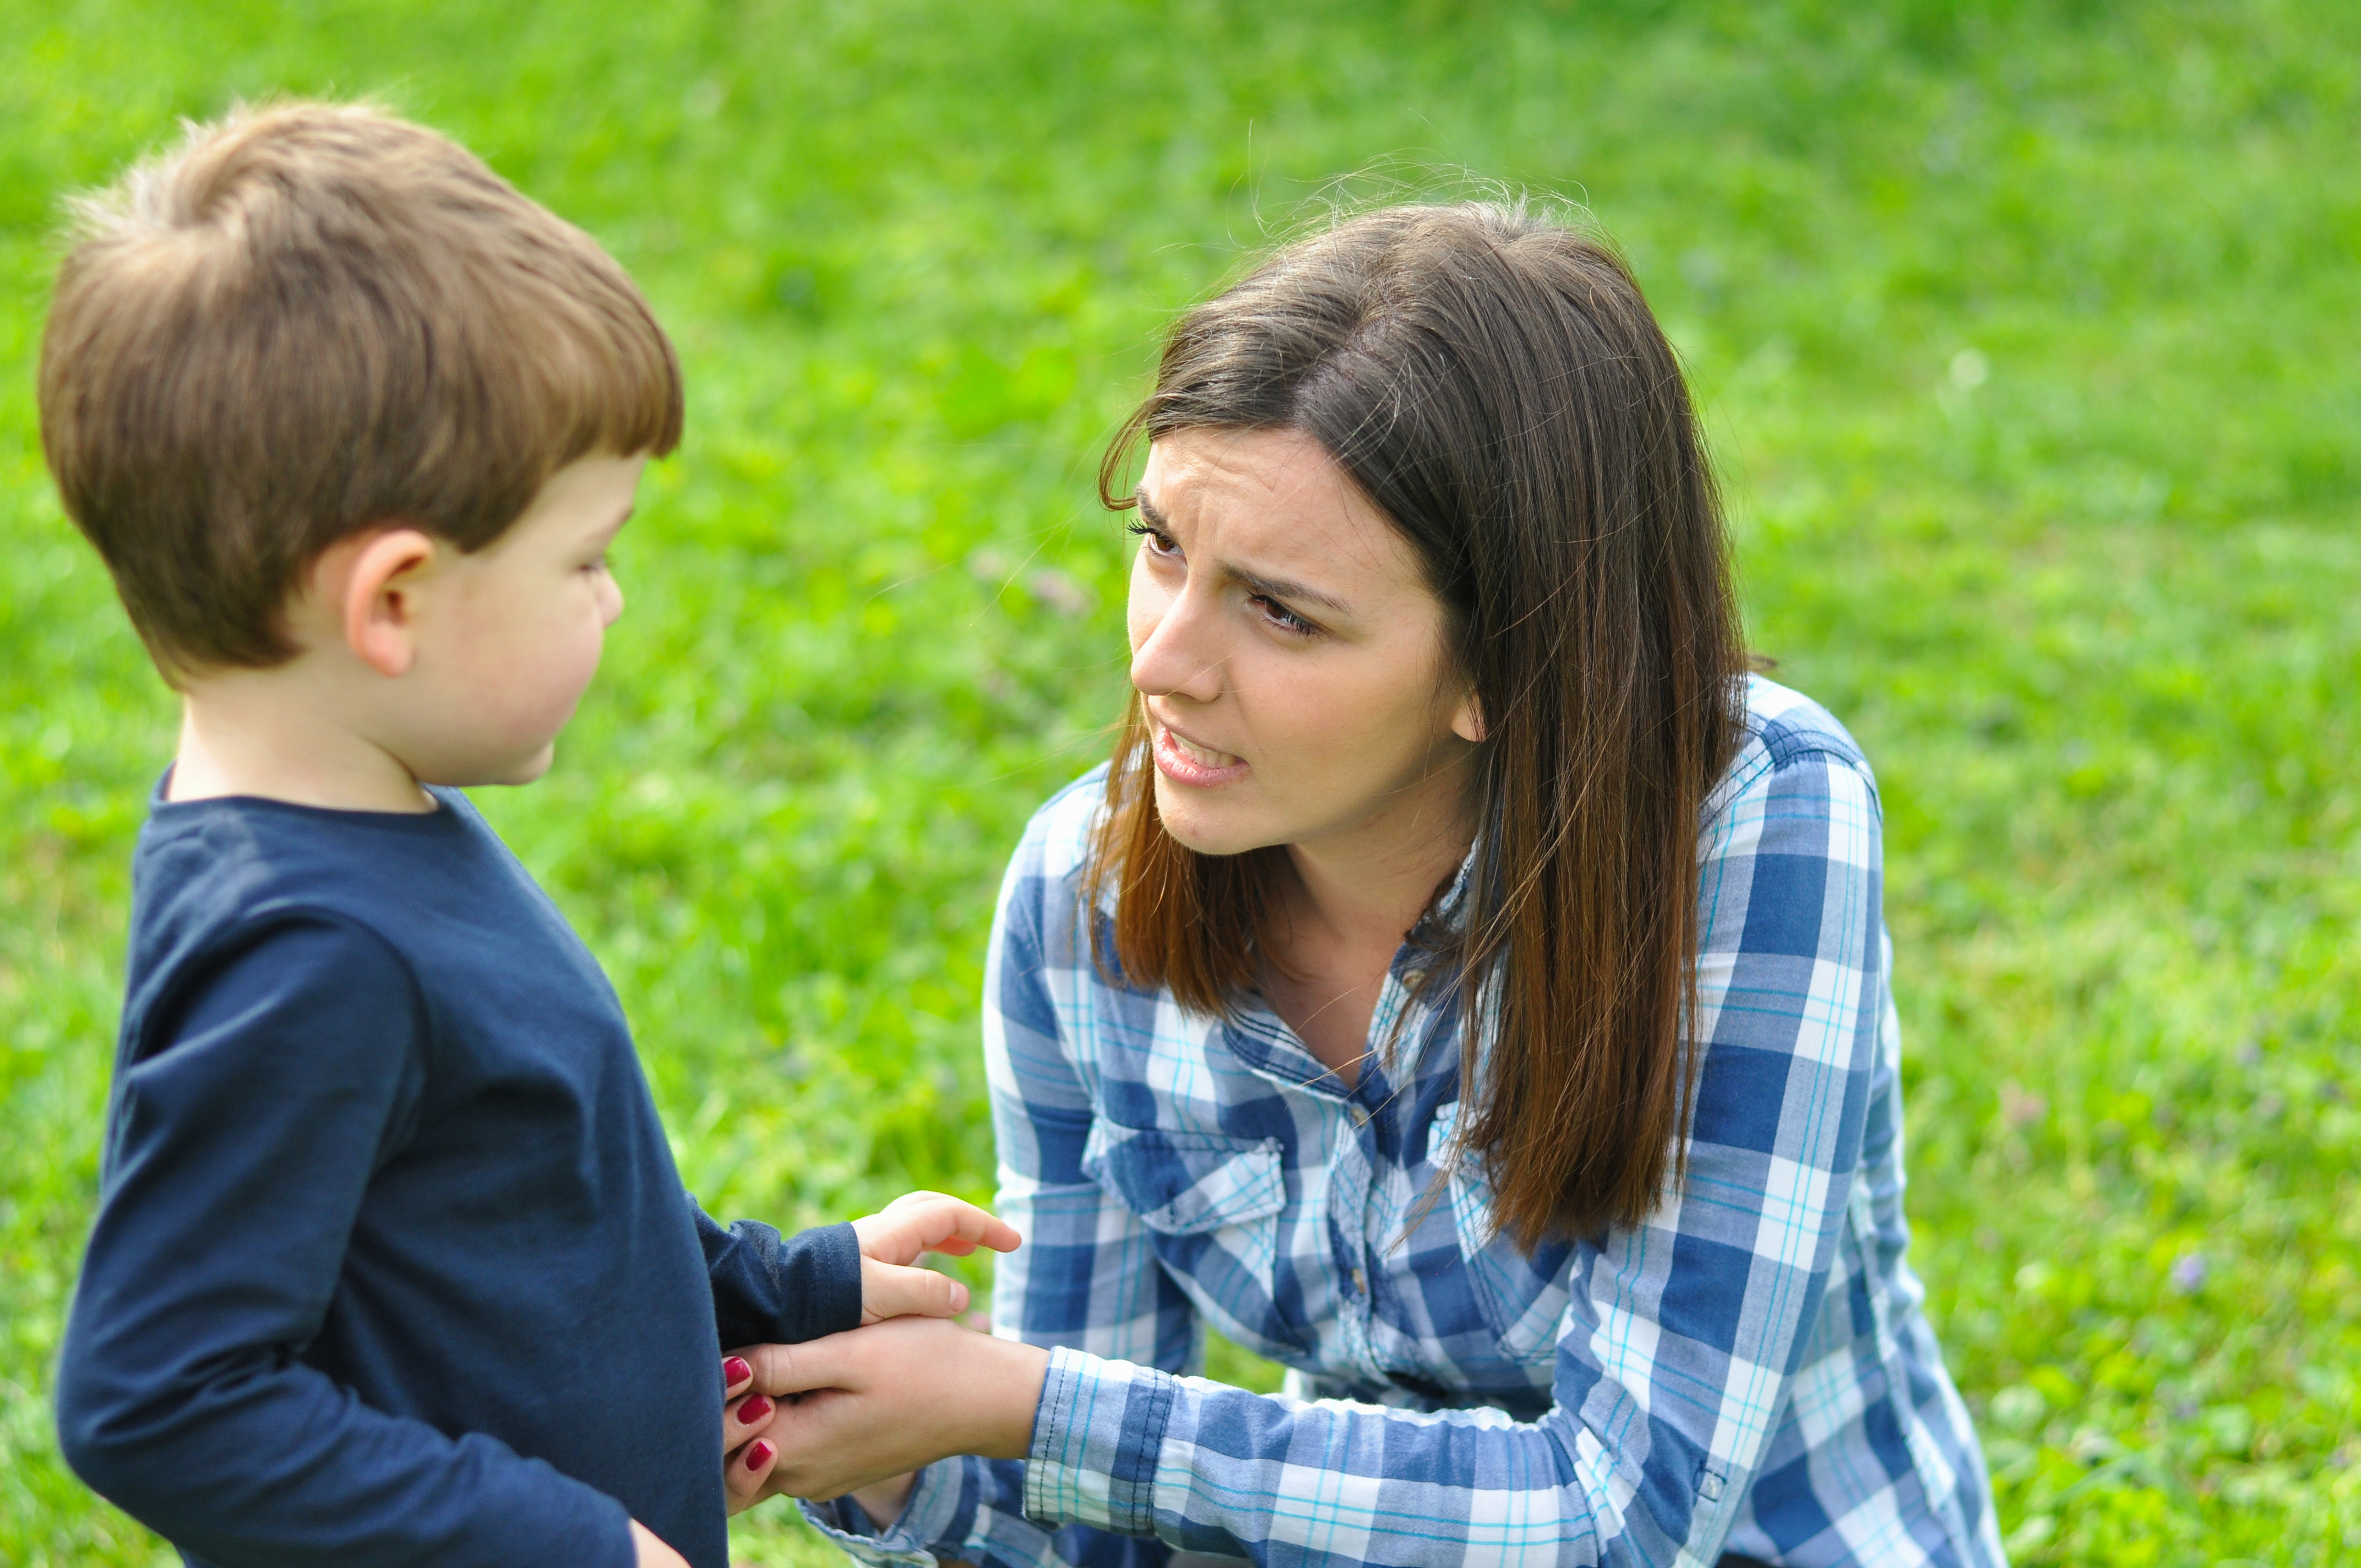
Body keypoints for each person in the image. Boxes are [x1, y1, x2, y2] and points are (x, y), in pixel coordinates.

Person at [721, 203, 2006, 1567]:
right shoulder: (1079, 895)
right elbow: (1095, 1526)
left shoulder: (1747, 822)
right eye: (1160, 545)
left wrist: (1027, 1411)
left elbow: (1618, 1515)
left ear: (1501, 667)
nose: (1160, 660)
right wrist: (880, 1452)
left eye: (1280, 610)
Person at [40, 102, 1018, 1568]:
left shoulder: (367, 821)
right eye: (586, 558)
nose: (614, 600)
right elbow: (157, 1400)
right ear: (395, 602)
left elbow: (518, 1207)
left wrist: (787, 1286)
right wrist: (560, 1541)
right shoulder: (309, 954)